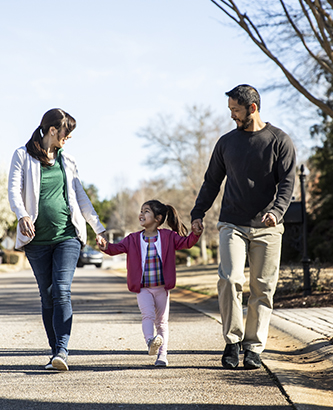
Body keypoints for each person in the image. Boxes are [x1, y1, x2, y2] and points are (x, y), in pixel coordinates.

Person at [190, 84, 297, 370]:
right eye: (230, 111)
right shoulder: (226, 143)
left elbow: (287, 184)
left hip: (268, 225)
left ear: (252, 108)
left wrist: (276, 212)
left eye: (235, 110)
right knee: (229, 278)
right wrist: (198, 212)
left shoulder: (279, 141)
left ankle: (254, 346)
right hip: (232, 223)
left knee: (262, 287)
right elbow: (212, 181)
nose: (232, 116)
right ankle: (232, 341)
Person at [8, 108, 107, 372]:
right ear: (53, 130)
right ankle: (55, 353)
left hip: (67, 236)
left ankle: (62, 348)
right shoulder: (22, 155)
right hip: (36, 240)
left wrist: (98, 227)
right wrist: (22, 215)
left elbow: (80, 196)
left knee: (62, 290)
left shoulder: (68, 160)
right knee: (47, 295)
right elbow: (14, 191)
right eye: (67, 132)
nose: (69, 137)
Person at [98, 200, 202, 366]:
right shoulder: (133, 239)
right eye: (141, 211)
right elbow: (115, 249)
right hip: (143, 289)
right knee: (147, 316)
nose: (141, 214)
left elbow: (187, 242)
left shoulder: (168, 236)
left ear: (157, 218)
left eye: (146, 211)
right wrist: (105, 246)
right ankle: (150, 342)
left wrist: (195, 234)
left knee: (162, 323)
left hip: (162, 288)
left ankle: (162, 356)